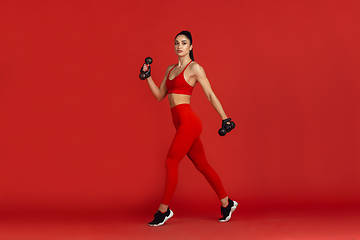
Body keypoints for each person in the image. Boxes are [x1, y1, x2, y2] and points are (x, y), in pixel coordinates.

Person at [142, 31, 237, 227]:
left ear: (191, 47)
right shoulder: (170, 69)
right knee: (203, 165)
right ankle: (227, 203)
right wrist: (148, 77)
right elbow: (160, 96)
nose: (179, 46)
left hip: (189, 122)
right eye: (176, 43)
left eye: (184, 43)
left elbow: (209, 94)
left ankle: (164, 210)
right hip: (179, 123)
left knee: (170, 161)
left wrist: (224, 117)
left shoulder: (195, 68)